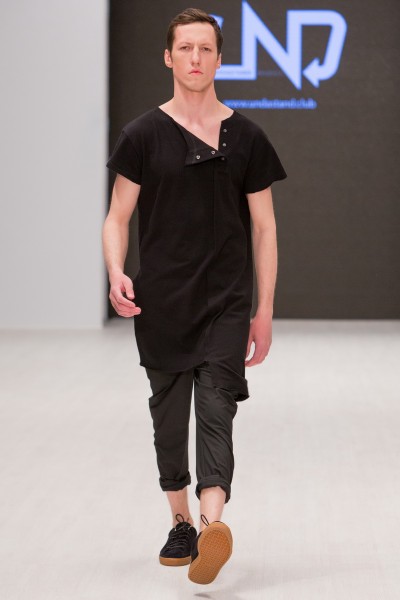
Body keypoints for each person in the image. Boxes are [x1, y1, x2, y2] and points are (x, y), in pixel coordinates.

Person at [102, 7, 287, 585]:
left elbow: (265, 228)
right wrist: (116, 270)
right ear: (168, 57)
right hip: (161, 298)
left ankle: (212, 526)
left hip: (227, 298)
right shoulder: (142, 135)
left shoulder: (247, 137)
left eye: (205, 49)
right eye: (185, 48)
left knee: (216, 405)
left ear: (220, 59)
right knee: (167, 416)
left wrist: (264, 309)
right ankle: (180, 522)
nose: (195, 58)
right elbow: (117, 217)